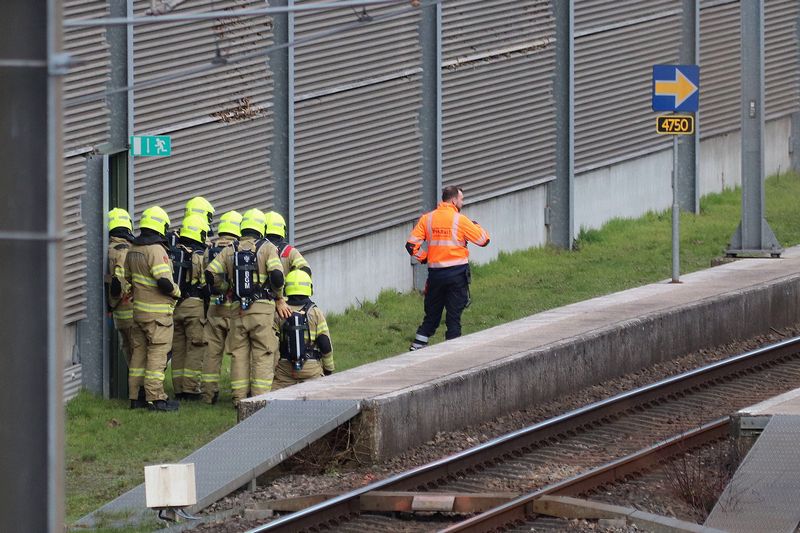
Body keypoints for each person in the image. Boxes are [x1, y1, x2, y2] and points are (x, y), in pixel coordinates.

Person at [205, 208, 284, 405]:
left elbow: (209, 273)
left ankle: (239, 400)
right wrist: (279, 296)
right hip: (262, 310)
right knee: (263, 352)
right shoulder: (267, 248)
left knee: (238, 354)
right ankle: (259, 400)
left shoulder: (230, 249)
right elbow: (277, 276)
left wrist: (224, 288)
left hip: (237, 309)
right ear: (261, 227)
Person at [405, 186, 490, 350]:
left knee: (431, 317)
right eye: (462, 199)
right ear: (454, 200)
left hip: (435, 276)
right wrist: (476, 225)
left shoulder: (427, 219)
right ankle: (452, 352)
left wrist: (425, 258)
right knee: (454, 317)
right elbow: (483, 240)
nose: (462, 202)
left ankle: (417, 347)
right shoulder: (461, 220)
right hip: (457, 275)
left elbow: (411, 246)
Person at [125, 206, 181, 411]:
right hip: (158, 314)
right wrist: (177, 291)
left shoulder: (133, 249)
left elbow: (128, 279)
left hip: (138, 312)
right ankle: (156, 399)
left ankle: (135, 397)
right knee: (158, 355)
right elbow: (164, 282)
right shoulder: (156, 250)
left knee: (138, 355)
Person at [200, 210, 242, 404]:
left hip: (214, 308)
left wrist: (218, 289)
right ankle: (238, 396)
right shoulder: (238, 249)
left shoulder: (209, 249)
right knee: (237, 353)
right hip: (234, 308)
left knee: (212, 352)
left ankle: (208, 395)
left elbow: (206, 275)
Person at [272, 270, 334, 391]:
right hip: (311, 370)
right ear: (309, 288)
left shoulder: (279, 313)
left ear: (286, 289)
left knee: (272, 398)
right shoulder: (315, 313)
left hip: (285, 370)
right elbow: (325, 343)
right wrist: (328, 370)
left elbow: (272, 344)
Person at [170, 214, 209, 401]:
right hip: (194, 306)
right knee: (195, 347)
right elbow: (206, 284)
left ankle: (178, 389)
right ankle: (191, 390)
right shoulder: (200, 256)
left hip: (174, 306)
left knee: (177, 349)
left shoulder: (170, 252)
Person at [106, 208, 139, 403]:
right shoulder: (123, 251)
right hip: (128, 309)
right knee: (138, 353)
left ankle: (134, 392)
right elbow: (119, 281)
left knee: (129, 352)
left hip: (118, 313)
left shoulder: (108, 249)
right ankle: (138, 393)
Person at [264, 210, 310, 325]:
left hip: (262, 303)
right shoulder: (289, 252)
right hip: (287, 305)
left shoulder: (259, 251)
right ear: (283, 231)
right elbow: (305, 270)